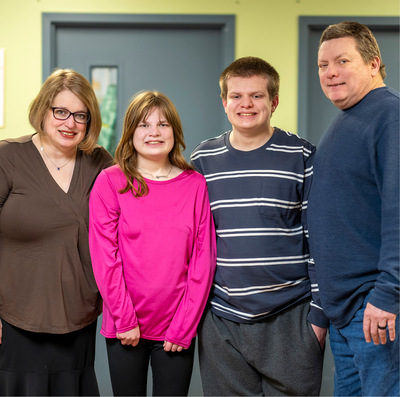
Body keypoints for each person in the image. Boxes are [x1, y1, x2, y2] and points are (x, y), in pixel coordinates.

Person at [190, 56, 327, 396]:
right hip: (221, 320)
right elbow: (192, 242)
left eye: (257, 95)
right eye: (236, 96)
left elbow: (321, 240)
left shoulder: (302, 155)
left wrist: (318, 321)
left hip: (291, 319)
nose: (246, 104)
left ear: (274, 101)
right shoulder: (201, 161)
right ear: (224, 102)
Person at [89, 90, 216, 396]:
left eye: (163, 125)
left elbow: (204, 259)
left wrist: (184, 326)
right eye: (144, 125)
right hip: (125, 327)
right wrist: (123, 318)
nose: (154, 133)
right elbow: (105, 257)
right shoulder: (110, 182)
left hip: (177, 329)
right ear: (131, 132)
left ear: (175, 132)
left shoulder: (195, 184)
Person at [0, 69, 113, 395]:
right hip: (15, 319)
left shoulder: (100, 163)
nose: (70, 123)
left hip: (78, 318)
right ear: (43, 110)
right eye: (60, 112)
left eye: (81, 115)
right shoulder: (9, 157)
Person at [307, 21, 399, 396]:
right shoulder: (349, 118)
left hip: (374, 307)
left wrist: (388, 293)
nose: (330, 73)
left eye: (342, 61)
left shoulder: (389, 117)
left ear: (373, 63)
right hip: (345, 312)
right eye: (323, 65)